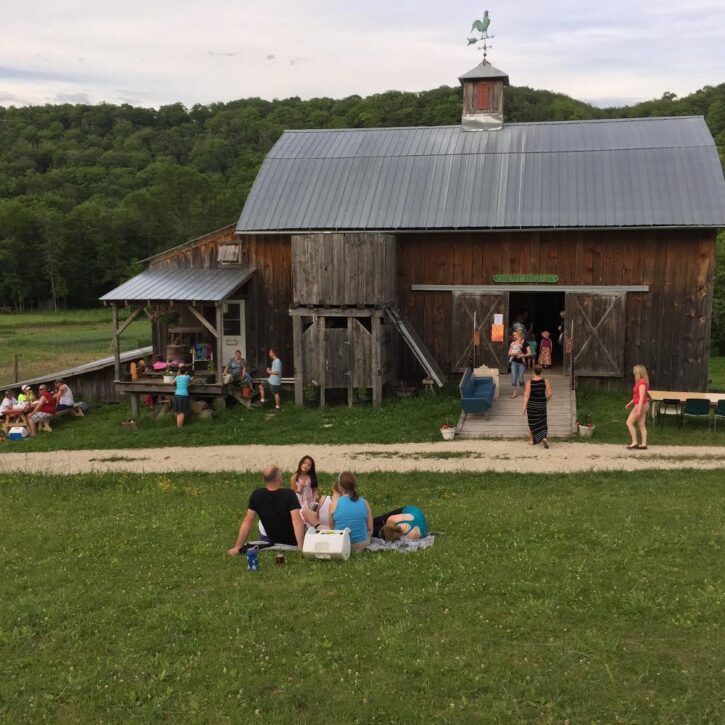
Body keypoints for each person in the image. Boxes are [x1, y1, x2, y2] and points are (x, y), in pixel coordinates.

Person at [227, 465, 304, 552]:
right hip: (292, 542)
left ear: (264, 479)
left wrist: (237, 547)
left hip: (274, 540)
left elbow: (247, 521)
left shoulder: (257, 495)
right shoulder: (289, 494)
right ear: (279, 478)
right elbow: (297, 521)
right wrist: (301, 547)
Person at [329, 471, 373, 550]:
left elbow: (332, 528)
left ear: (339, 486)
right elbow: (370, 528)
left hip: (341, 544)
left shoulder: (333, 504)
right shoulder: (364, 503)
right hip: (362, 544)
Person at [522, 364, 552, 448]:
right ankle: (544, 438)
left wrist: (524, 407)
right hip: (541, 404)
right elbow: (550, 394)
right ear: (541, 371)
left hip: (532, 405)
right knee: (543, 421)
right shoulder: (545, 381)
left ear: (533, 371)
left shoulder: (529, 382)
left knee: (531, 422)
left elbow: (527, 395)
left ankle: (532, 440)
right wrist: (545, 400)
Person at [625, 364, 650, 450]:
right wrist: (630, 403)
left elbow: (642, 397)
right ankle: (643, 444)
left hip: (641, 405)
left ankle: (634, 442)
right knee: (641, 425)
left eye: (634, 370)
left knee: (629, 422)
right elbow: (637, 396)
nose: (633, 372)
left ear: (638, 372)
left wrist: (638, 410)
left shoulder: (642, 383)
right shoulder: (640, 382)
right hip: (643, 405)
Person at [508, 330, 528, 399]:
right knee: (514, 378)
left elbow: (528, 353)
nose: (514, 336)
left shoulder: (524, 343)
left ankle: (525, 390)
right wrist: (516, 354)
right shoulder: (512, 343)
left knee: (520, 379)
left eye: (516, 335)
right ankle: (514, 393)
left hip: (521, 363)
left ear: (520, 336)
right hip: (514, 362)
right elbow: (509, 353)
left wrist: (522, 355)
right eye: (514, 335)